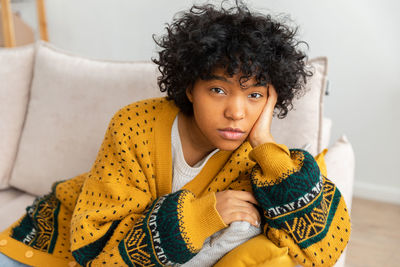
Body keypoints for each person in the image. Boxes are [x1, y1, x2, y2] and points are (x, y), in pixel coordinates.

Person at [0, 1, 351, 266]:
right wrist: (204, 214)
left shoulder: (260, 160)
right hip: (43, 245)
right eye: (218, 90)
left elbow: (324, 248)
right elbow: (96, 250)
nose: (237, 112)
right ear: (189, 87)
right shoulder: (134, 125)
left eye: (255, 95)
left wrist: (263, 143)